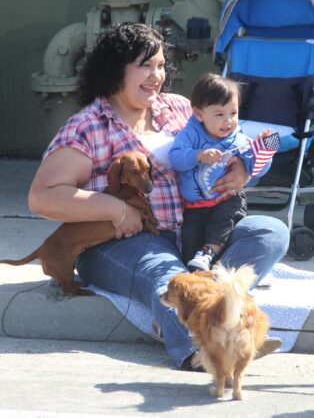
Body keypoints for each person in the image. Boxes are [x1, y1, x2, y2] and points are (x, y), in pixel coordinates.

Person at [28, 22, 289, 371]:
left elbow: (237, 143)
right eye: (146, 65)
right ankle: (202, 349)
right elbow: (42, 197)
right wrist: (115, 209)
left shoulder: (181, 109)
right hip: (128, 243)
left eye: (162, 65)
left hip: (200, 236)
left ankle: (207, 297)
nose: (157, 75)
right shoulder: (89, 125)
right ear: (115, 68)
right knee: (164, 274)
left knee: (269, 232)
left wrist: (243, 170)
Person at [169, 73, 272, 272]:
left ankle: (209, 253)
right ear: (199, 114)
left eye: (233, 113)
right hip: (195, 206)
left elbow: (257, 169)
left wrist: (262, 154)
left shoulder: (239, 139)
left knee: (222, 224)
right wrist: (197, 155)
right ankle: (198, 269)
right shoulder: (190, 134)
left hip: (226, 199)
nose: (228, 122)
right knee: (190, 239)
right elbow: (176, 158)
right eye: (219, 114)